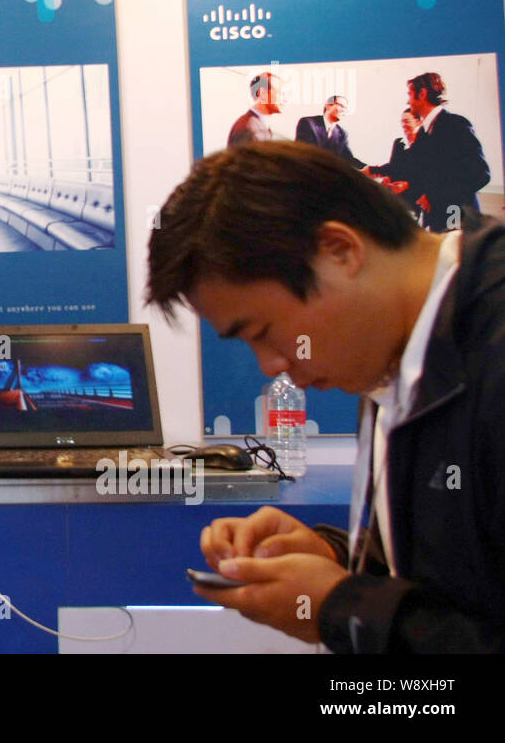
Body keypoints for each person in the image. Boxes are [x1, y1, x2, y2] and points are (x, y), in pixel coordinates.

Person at [146, 140, 505, 652]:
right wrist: (334, 559)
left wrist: (341, 608)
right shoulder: (391, 347)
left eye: (264, 331)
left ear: (340, 251)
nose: (271, 366)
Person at [402, 72, 490, 233]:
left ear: (422, 94)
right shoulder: (423, 134)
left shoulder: (456, 125)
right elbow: (416, 170)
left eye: (409, 94)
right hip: (436, 222)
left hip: (458, 219)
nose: (408, 101)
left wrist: (435, 197)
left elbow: (480, 174)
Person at [364, 108, 425, 221]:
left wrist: (406, 185)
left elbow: (423, 174)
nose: (403, 125)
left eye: (407, 121)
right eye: (402, 122)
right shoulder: (398, 143)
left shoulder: (425, 145)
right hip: (394, 198)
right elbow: (393, 167)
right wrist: (387, 178)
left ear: (419, 122)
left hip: (413, 198)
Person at [294, 94, 363, 168]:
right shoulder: (308, 123)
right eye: (341, 106)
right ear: (328, 105)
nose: (344, 110)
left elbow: (348, 158)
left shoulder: (342, 134)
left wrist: (366, 168)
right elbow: (305, 152)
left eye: (346, 108)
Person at [227, 72, 280, 147]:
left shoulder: (260, 125)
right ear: (263, 93)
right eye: (278, 92)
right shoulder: (247, 126)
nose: (283, 98)